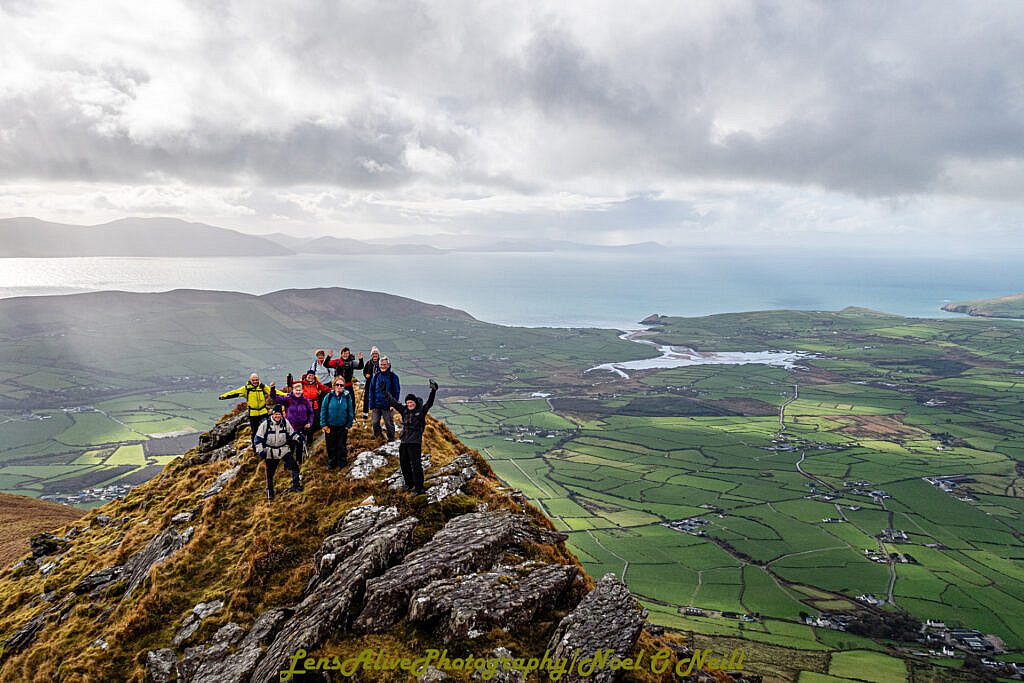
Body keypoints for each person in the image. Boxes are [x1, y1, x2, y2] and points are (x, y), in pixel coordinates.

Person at [386, 379, 438, 494]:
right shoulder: (404, 410)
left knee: (416, 465)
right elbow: (393, 402)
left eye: (411, 402)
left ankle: (419, 488)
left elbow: (429, 403)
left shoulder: (421, 411)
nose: (410, 404)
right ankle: (409, 484)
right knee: (404, 464)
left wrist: (433, 391)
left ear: (415, 403)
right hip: (404, 442)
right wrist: (385, 391)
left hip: (415, 443)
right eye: (408, 402)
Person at [253, 405, 303, 500]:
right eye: (276, 414)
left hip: (284, 449)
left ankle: (296, 486)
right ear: (273, 414)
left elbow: (291, 433)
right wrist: (260, 451)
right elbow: (258, 439)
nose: (277, 416)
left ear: (282, 414)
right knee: (270, 474)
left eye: (279, 414)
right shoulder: (265, 424)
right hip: (270, 452)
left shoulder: (285, 422)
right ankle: (270, 493)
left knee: (294, 467)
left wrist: (298, 438)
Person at [218, 373, 272, 446]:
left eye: (256, 380)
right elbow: (235, 392)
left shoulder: (262, 387)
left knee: (267, 428)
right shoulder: (246, 389)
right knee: (255, 431)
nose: (255, 382)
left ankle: (267, 444)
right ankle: (255, 447)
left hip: (263, 412)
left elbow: (273, 393)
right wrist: (223, 396)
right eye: (253, 380)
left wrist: (286, 395)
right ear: (250, 380)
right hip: (253, 413)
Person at [270, 381, 315, 464]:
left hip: (302, 427)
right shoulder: (288, 399)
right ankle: (288, 464)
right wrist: (272, 389)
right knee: (290, 446)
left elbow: (310, 413)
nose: (298, 392)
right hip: (290, 428)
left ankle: (299, 463)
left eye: (300, 390)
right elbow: (275, 397)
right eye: (296, 390)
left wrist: (310, 422)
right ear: (293, 390)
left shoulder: (305, 401)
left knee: (300, 446)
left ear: (302, 391)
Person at [320, 377, 355, 469]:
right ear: (334, 385)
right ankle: (332, 463)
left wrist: (349, 424)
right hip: (330, 426)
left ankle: (342, 463)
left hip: (342, 426)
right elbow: (323, 410)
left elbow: (350, 411)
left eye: (341, 385)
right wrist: (323, 424)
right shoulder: (329, 396)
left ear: (344, 386)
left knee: (341, 445)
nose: (339, 386)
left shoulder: (347, 397)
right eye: (337, 384)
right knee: (330, 445)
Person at [367, 356, 400, 441]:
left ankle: (391, 439)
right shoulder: (376, 376)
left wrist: (393, 404)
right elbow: (371, 390)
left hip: (388, 405)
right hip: (376, 404)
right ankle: (379, 438)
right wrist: (371, 404)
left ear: (388, 365)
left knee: (389, 424)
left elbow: (396, 391)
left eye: (385, 364)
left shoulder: (393, 377)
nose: (383, 366)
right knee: (374, 423)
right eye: (381, 364)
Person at [298, 370, 329, 438]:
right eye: (309, 375)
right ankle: (305, 436)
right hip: (304, 405)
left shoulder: (316, 383)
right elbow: (293, 384)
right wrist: (289, 380)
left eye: (312, 375)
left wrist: (332, 390)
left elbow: (324, 388)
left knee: (315, 420)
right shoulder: (302, 383)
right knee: (305, 421)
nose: (311, 377)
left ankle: (313, 435)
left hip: (314, 405)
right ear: (307, 375)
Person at [361, 346, 381, 418]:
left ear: (378, 355)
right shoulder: (368, 363)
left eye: (376, 354)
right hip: (369, 384)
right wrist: (366, 375)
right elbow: (364, 371)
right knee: (366, 398)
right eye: (373, 354)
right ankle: (365, 413)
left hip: (378, 385)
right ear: (371, 355)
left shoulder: (381, 363)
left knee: (377, 398)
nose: (375, 355)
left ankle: (376, 413)